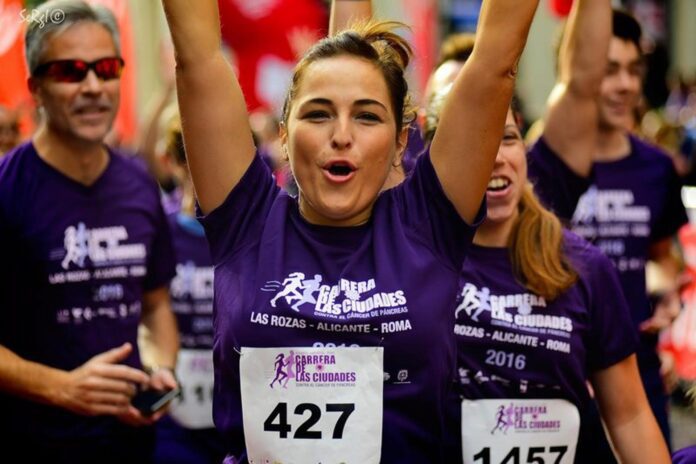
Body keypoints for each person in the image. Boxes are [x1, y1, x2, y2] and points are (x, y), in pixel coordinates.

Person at [160, 0, 540, 461]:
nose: (341, 135)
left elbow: (496, 60)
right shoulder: (246, 219)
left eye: (367, 116)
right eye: (318, 114)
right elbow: (197, 56)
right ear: (284, 135)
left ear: (400, 142)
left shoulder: (429, 221)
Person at [427, 87, 670, 462]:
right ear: (433, 157)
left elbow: (630, 416)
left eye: (507, 138)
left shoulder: (583, 266)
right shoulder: (414, 260)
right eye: (473, 139)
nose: (495, 157)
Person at [0, 2, 179, 463]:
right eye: (71, 72)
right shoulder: (7, 189)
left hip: (131, 445)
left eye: (107, 69)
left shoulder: (139, 184)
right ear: (36, 88)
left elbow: (155, 306)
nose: (94, 86)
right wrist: (61, 387)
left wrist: (160, 369)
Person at [527, 2, 688, 447]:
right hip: (558, 372)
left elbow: (662, 258)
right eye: (609, 69)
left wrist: (667, 296)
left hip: (637, 372)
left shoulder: (656, 168)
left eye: (634, 70)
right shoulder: (539, 165)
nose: (625, 85)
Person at [154, 115, 226, 464]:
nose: (206, 168)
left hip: (237, 407)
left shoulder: (255, 235)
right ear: (175, 163)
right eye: (192, 156)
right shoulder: (158, 231)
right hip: (173, 410)